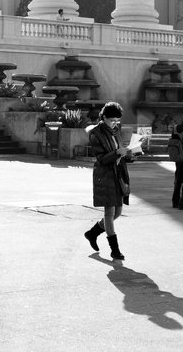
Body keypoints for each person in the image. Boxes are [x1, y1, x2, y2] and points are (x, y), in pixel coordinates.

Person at [83, 102, 136, 261]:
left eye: (117, 121)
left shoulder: (115, 130)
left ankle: (93, 232)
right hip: (105, 174)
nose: (115, 123)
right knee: (109, 212)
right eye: (112, 120)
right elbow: (101, 159)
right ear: (104, 117)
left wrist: (129, 154)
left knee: (118, 212)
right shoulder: (95, 133)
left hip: (118, 173)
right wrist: (116, 153)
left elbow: (120, 151)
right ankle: (115, 250)